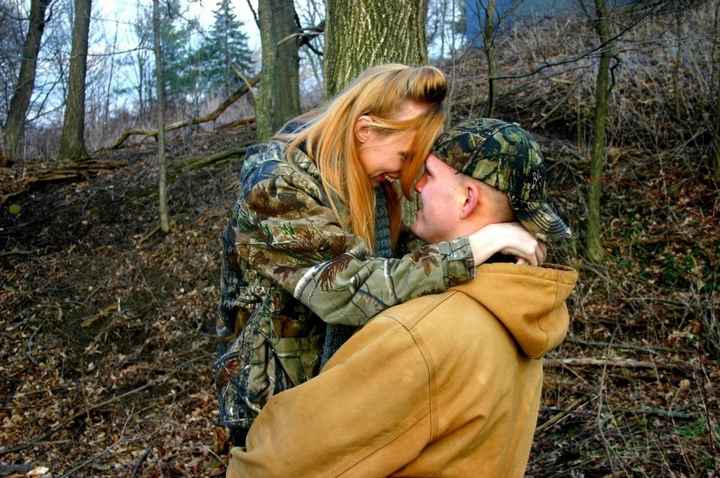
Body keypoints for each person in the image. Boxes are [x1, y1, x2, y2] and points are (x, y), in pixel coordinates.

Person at [226, 118, 579, 477]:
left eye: (427, 174)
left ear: (468, 199)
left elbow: (275, 466)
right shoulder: (522, 315)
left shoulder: (421, 336)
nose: (414, 186)